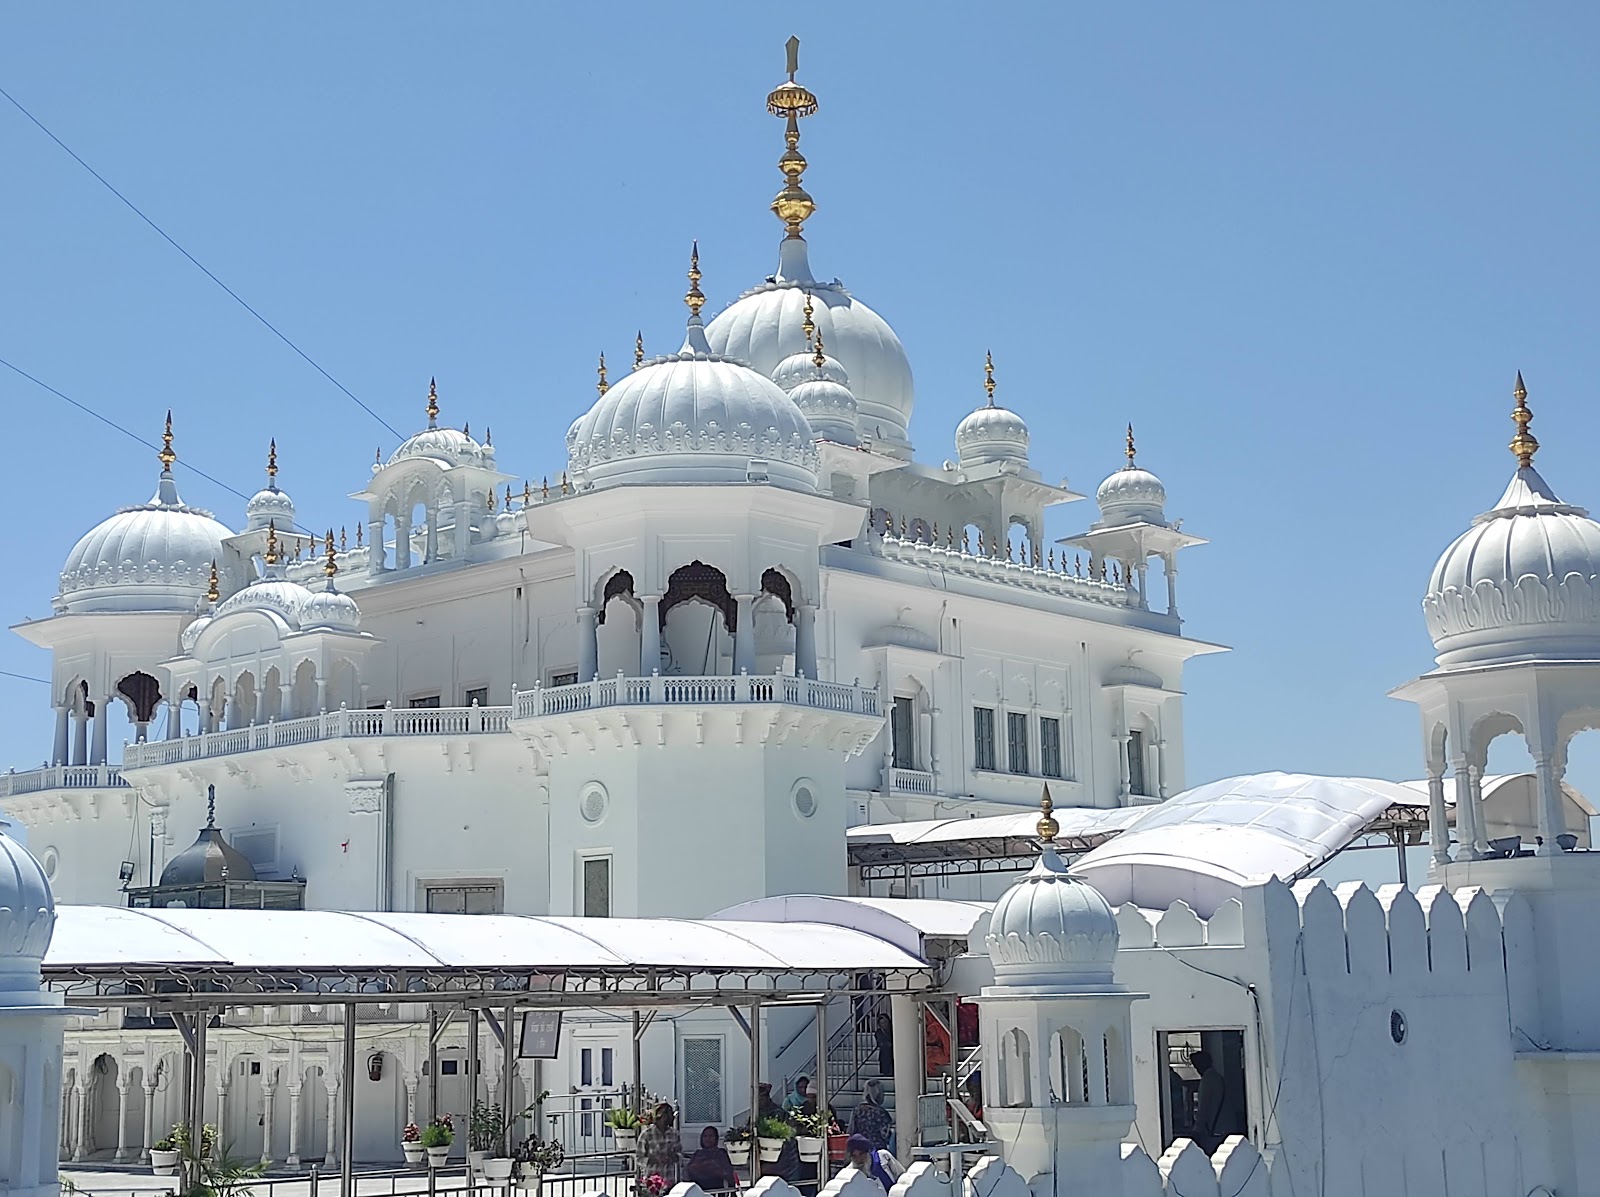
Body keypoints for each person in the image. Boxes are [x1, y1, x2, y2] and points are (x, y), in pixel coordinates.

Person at [1190, 1050, 1227, 1154]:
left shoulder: (1207, 1080)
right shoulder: (1217, 1077)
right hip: (1222, 1128)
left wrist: (1196, 1130)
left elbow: (1203, 1107)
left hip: (1214, 1131)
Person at [637, 1102, 683, 1185]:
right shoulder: (646, 1134)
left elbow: (680, 1155)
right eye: (667, 1115)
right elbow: (639, 1158)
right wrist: (654, 1159)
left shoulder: (674, 1134)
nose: (670, 1118)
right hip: (652, 1181)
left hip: (670, 1180)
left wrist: (672, 1157)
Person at [685, 1126, 740, 1190]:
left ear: (716, 1138)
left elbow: (728, 1173)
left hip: (717, 1190)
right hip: (698, 1190)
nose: (707, 1139)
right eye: (705, 1136)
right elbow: (688, 1170)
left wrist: (711, 1168)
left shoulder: (721, 1153)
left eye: (711, 1136)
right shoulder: (698, 1153)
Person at [848, 1079, 893, 1152]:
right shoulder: (881, 1113)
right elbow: (886, 1136)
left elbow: (851, 1131)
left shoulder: (857, 1110)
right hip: (878, 1151)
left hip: (861, 1150)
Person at [875, 1011, 894, 1076]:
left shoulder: (893, 1030)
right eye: (881, 1023)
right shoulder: (879, 1032)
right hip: (885, 1055)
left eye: (885, 1022)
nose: (884, 1025)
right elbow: (880, 1043)